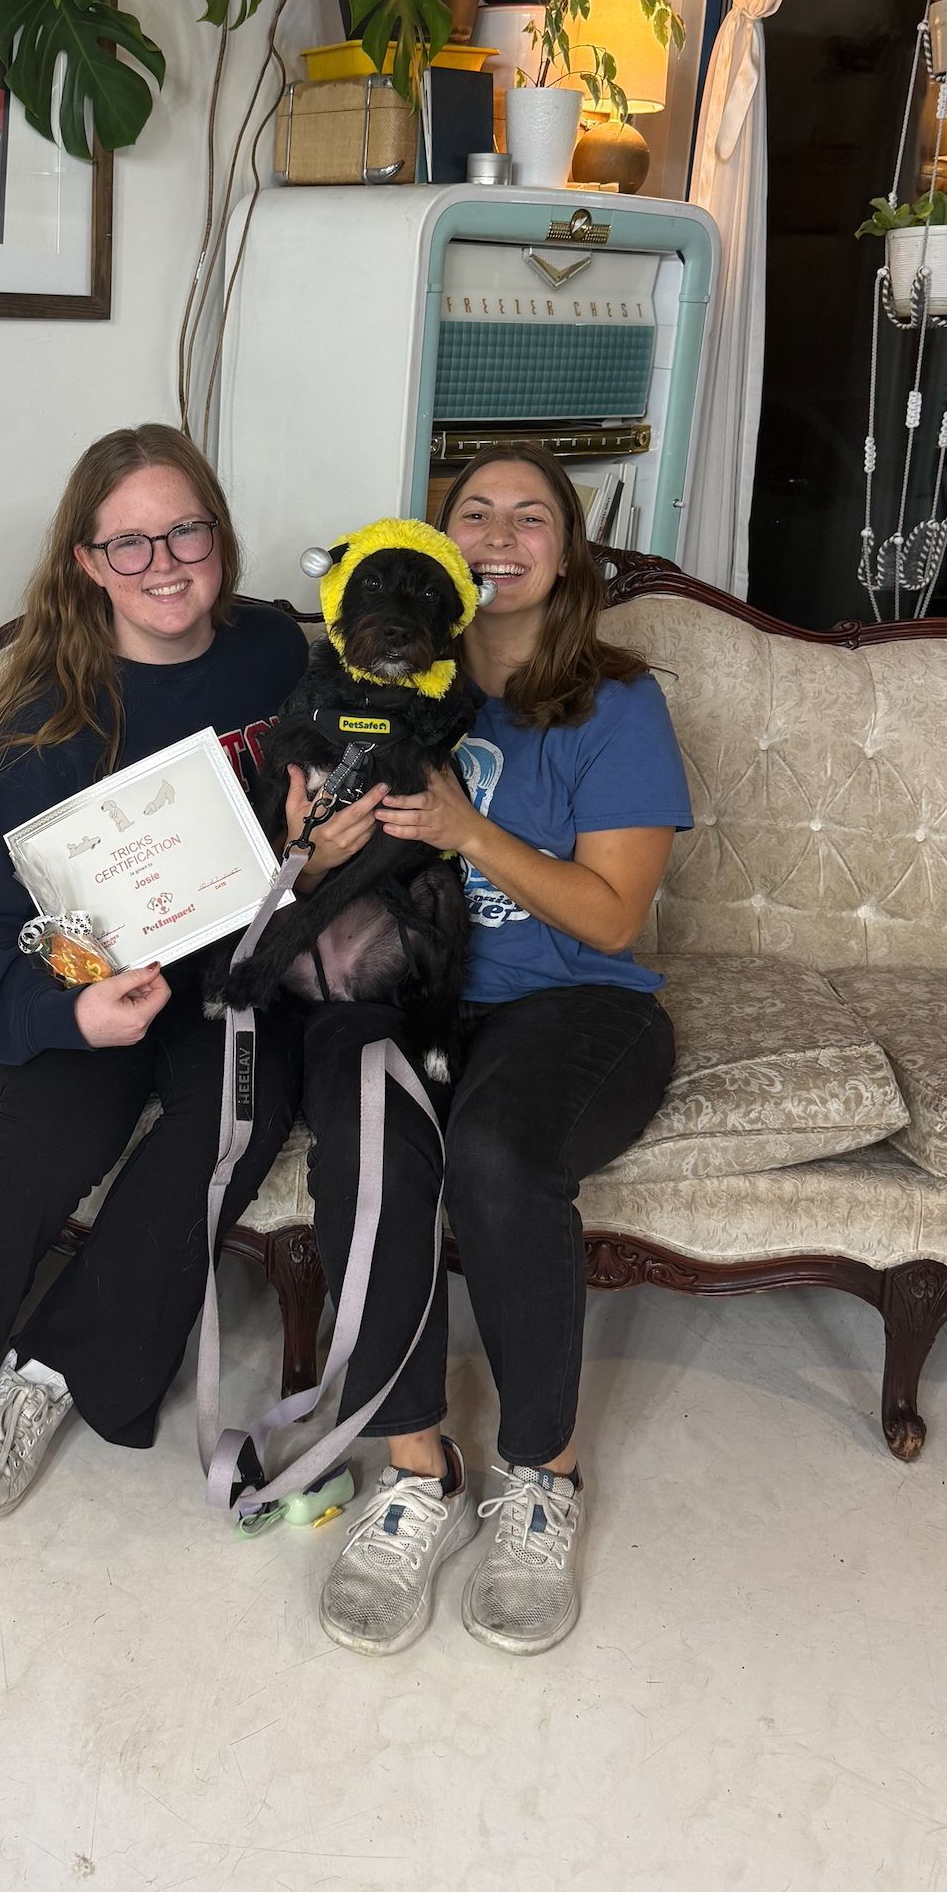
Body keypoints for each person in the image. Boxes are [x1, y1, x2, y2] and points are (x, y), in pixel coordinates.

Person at [0, 425, 308, 1518]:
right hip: (79, 977)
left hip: (234, 970)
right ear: (85, 561)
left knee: (239, 1105)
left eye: (185, 529)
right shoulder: (50, 721)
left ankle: (57, 1374)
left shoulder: (278, 654)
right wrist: (71, 1012)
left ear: (219, 534)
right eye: (128, 543)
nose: (163, 561)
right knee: (59, 1125)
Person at [299, 446, 692, 1657]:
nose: (502, 533)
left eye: (533, 516)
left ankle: (542, 1475)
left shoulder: (616, 702)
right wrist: (324, 846)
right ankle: (414, 1466)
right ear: (432, 549)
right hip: (409, 987)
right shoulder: (367, 679)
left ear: (565, 551)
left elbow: (612, 914)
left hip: (576, 1002)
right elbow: (306, 873)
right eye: (475, 512)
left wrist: (467, 828)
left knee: (501, 1153)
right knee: (364, 1132)